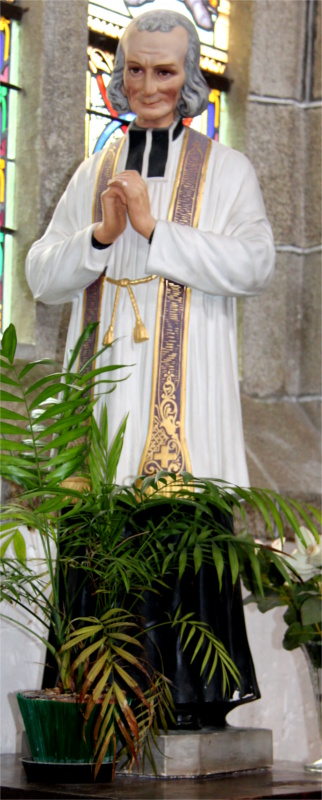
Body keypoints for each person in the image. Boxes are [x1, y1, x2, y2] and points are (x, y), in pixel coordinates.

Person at [26, 10, 275, 727]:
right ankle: (93, 703)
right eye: (135, 69)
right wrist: (100, 235)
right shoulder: (97, 167)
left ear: (190, 77)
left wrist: (156, 233)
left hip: (185, 401)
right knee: (101, 536)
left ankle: (190, 708)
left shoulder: (227, 170)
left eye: (164, 71)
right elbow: (43, 274)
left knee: (178, 536)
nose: (148, 85)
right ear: (119, 75)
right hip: (104, 401)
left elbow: (256, 263)